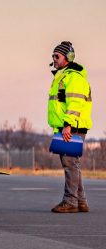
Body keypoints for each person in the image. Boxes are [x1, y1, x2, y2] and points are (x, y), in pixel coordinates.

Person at [48, 41, 92, 213]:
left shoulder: (73, 77)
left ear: (68, 57)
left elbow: (75, 103)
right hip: (67, 126)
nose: (54, 59)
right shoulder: (63, 76)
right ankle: (80, 201)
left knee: (70, 164)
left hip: (71, 126)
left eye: (57, 56)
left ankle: (70, 201)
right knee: (73, 163)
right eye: (53, 56)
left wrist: (68, 125)